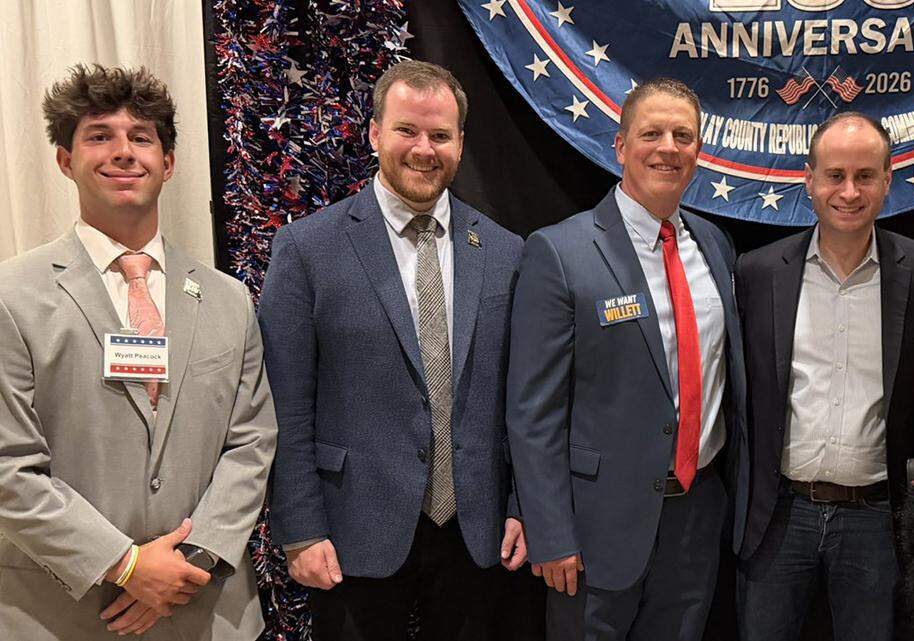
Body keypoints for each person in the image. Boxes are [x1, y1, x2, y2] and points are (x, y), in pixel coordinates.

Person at [0, 64, 277, 640]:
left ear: (168, 163)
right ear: (64, 159)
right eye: (99, 135)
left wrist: (186, 566)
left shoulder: (228, 299)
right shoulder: (11, 296)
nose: (123, 152)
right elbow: (8, 465)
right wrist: (125, 565)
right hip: (58, 615)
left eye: (141, 137)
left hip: (207, 610)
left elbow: (252, 441)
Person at [258, 60, 526, 641]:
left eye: (441, 135)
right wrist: (300, 528)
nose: (424, 149)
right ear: (375, 133)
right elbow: (285, 404)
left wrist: (521, 506)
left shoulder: (506, 253)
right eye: (407, 130)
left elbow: (522, 401)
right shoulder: (308, 248)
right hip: (353, 529)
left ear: (460, 143)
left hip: (476, 532)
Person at [506, 78, 748, 641]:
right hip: (593, 528)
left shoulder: (714, 245)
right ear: (619, 147)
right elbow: (532, 413)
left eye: (683, 135)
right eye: (652, 133)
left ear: (698, 151)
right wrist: (550, 533)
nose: (668, 146)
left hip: (695, 515)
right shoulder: (560, 252)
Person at [734, 111, 914, 641]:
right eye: (834, 175)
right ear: (808, 179)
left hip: (877, 521)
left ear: (888, 180)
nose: (849, 192)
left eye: (865, 176)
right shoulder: (757, 273)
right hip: (778, 516)